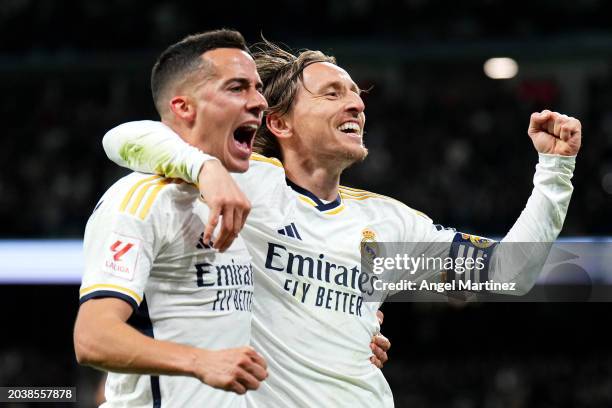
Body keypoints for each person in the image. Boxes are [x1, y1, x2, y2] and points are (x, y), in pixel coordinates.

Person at [102, 40, 581, 407]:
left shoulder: (386, 224)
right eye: (332, 94)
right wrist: (205, 169)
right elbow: (124, 137)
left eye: (356, 94)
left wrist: (555, 171)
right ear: (280, 124)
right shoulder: (249, 189)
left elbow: (508, 274)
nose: (356, 104)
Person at [73, 29, 270, 407]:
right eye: (237, 88)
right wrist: (200, 362)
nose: (259, 101)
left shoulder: (247, 192)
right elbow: (92, 336)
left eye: (257, 88)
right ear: (183, 108)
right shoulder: (139, 202)